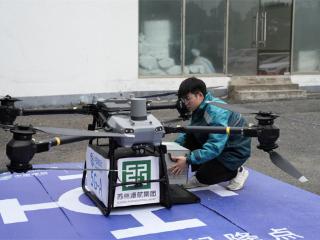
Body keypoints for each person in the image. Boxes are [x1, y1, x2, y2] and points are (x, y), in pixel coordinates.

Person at [169, 77, 251, 190]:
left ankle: (237, 171)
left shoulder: (217, 111)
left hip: (232, 152)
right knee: (186, 141)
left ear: (199, 95)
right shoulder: (199, 107)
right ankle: (205, 167)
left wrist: (188, 159)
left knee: (205, 176)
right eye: (183, 99)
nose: (185, 103)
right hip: (220, 143)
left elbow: (215, 145)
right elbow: (189, 130)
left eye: (188, 99)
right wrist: (174, 147)